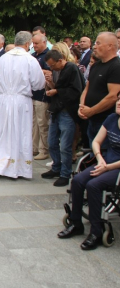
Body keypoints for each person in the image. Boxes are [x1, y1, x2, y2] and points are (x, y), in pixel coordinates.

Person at [58, 94, 120, 250]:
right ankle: (76, 222)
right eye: (118, 99)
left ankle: (96, 232)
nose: (118, 103)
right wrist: (99, 158)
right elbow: (97, 141)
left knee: (93, 185)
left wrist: (107, 167)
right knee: (78, 180)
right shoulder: (112, 118)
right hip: (104, 162)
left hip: (117, 169)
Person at [0, 31, 46, 179]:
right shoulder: (30, 60)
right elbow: (39, 83)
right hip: (21, 102)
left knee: (3, 132)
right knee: (20, 132)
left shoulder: (3, 58)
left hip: (4, 100)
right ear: (27, 44)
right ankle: (17, 168)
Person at [41, 50, 84, 186]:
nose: (52, 68)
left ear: (60, 60)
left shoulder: (71, 68)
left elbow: (75, 90)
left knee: (65, 145)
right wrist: (51, 85)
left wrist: (57, 91)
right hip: (56, 109)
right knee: (52, 141)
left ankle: (65, 173)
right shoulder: (57, 70)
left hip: (67, 111)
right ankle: (56, 167)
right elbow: (59, 88)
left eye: (53, 65)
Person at [79, 32, 120, 147]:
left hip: (105, 121)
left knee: (102, 155)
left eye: (98, 43)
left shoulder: (116, 67)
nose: (94, 46)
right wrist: (81, 107)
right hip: (91, 119)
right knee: (92, 154)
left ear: (110, 46)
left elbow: (113, 96)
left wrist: (91, 110)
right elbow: (87, 88)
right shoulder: (96, 65)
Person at [31, 34, 52, 160]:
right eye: (33, 43)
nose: (34, 46)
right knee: (34, 123)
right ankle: (34, 147)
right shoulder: (33, 56)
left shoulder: (48, 56)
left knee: (42, 124)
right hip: (33, 94)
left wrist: (37, 69)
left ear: (44, 42)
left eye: (37, 43)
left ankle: (44, 149)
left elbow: (49, 72)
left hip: (43, 95)